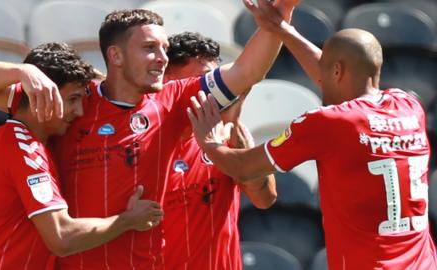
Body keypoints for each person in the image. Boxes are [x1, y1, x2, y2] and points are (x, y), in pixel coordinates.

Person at [0, 1, 297, 268]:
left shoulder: (173, 101)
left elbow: (247, 71)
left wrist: (281, 16)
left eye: (164, 48)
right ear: (115, 55)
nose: (162, 58)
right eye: (150, 48)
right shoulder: (76, 101)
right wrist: (23, 71)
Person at [186, 1, 437, 269]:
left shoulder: (329, 123)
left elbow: (242, 167)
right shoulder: (409, 107)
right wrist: (282, 30)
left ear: (337, 72)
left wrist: (209, 141)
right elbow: (337, 75)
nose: (319, 81)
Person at [0, 42, 163, 270]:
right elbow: (61, 238)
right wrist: (127, 220)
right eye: (73, 100)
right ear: (41, 95)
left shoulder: (21, 128)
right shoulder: (25, 148)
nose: (79, 112)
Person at [163, 32, 276, 269]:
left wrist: (233, 128)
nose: (218, 95)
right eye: (203, 81)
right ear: (167, 81)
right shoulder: (144, 137)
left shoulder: (228, 134)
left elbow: (265, 198)